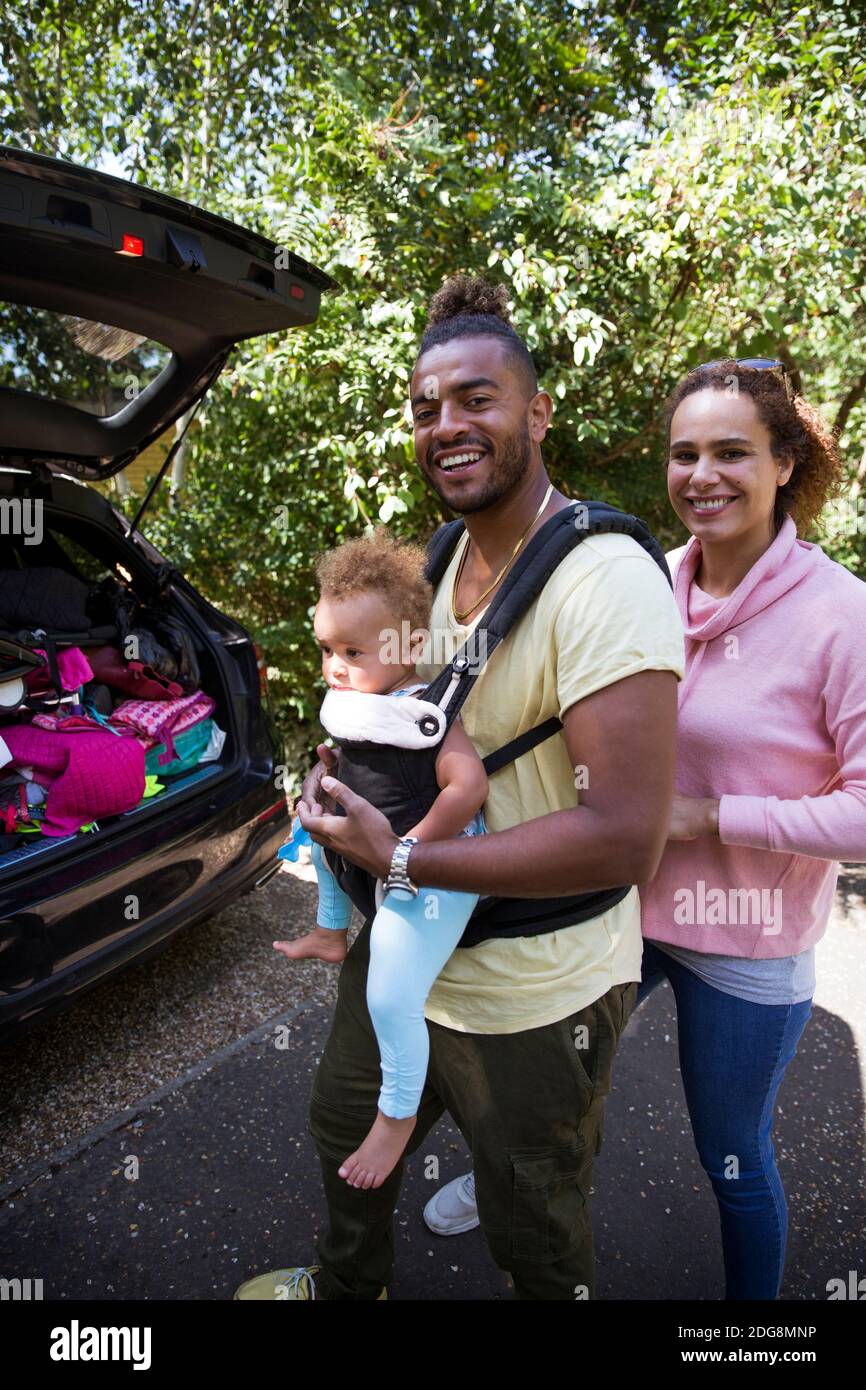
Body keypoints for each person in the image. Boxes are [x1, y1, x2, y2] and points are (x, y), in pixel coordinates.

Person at [233, 273, 684, 1302]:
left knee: (532, 1218)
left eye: (476, 399)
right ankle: (347, 1288)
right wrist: (341, 777)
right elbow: (400, 713)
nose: (446, 425)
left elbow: (623, 837)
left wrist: (392, 853)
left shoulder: (602, 580)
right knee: (343, 1128)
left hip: (532, 983)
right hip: (413, 938)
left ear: (536, 410)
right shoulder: (434, 564)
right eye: (425, 407)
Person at [423, 357, 866, 1302]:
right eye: (684, 454)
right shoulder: (646, 578)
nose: (701, 475)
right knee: (543, 1075)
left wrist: (706, 815)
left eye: (732, 453)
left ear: (785, 463)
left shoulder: (843, 617)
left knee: (732, 1153)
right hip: (617, 902)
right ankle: (508, 1172)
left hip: (743, 940)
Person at [273, 527, 488, 1189]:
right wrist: (317, 784)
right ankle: (332, 932)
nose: (335, 667)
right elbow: (338, 762)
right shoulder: (359, 701)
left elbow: (469, 787)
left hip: (435, 868)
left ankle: (395, 1119)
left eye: (352, 651)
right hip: (376, 851)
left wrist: (410, 852)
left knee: (389, 993)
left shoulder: (425, 712)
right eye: (326, 650)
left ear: (408, 648)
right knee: (316, 838)